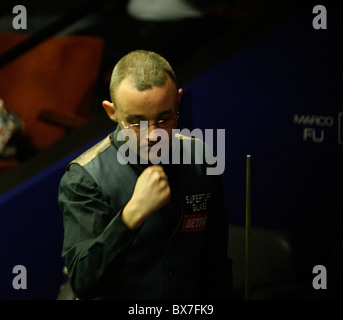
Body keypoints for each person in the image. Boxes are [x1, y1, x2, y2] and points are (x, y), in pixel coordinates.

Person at [58, 50, 232, 300]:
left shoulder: (201, 157)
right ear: (112, 111)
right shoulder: (84, 178)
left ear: (178, 101)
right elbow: (84, 281)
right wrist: (131, 216)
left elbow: (216, 262)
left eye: (164, 118)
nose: (153, 135)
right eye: (137, 121)